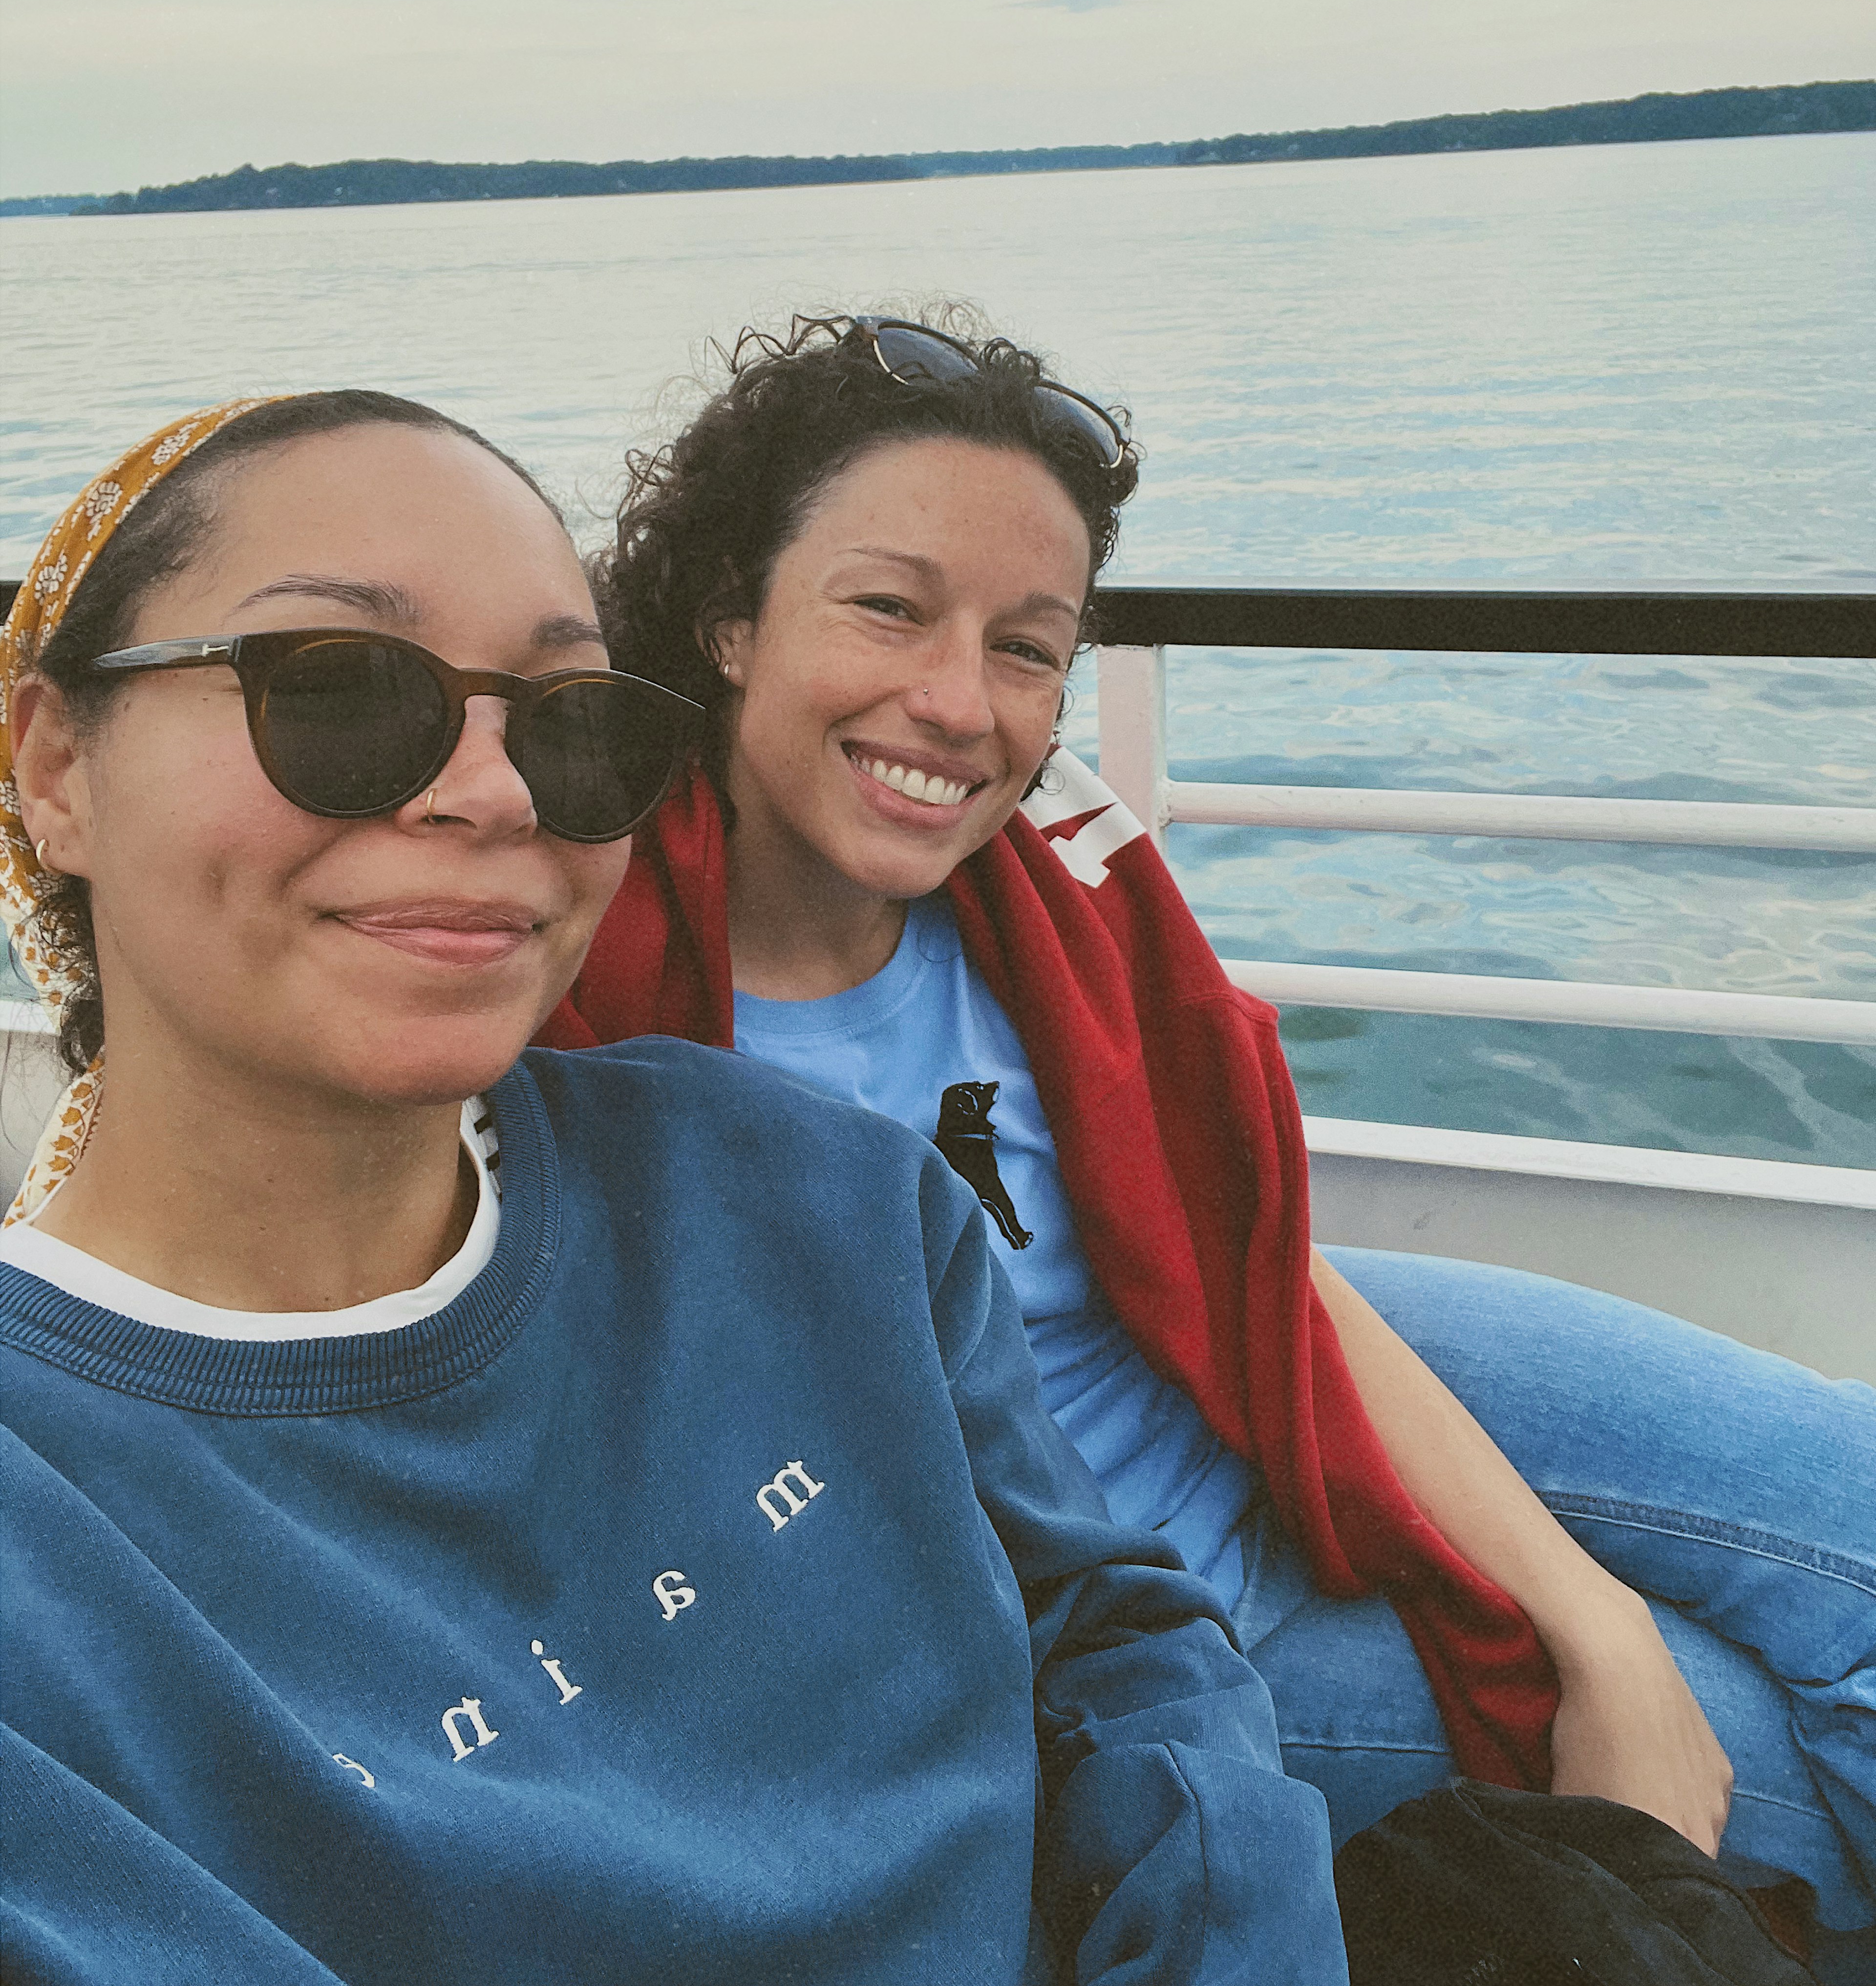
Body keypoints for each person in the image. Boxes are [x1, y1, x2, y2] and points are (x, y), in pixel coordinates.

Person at [546, 313, 1876, 1971]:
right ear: (731, 618)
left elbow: (1246, 1256)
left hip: (1241, 1364)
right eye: (886, 607)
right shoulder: (569, 987)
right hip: (1125, 1633)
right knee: (1769, 1751)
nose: (958, 702)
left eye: (1028, 646)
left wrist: (1592, 1622)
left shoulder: (1057, 891)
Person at [0, 391, 1350, 1986]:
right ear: (57, 766)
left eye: (572, 722)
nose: (496, 794)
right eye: (347, 692)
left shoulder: (812, 1196)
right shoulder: (52, 1545)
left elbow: (1116, 1642)